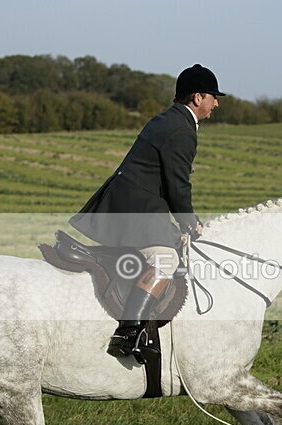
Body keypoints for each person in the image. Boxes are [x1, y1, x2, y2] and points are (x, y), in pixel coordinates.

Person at [69, 64, 225, 362]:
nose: (216, 103)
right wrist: (190, 223)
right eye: (213, 97)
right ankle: (128, 332)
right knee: (165, 260)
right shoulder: (181, 128)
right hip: (136, 209)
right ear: (197, 97)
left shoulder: (171, 120)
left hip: (137, 204)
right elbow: (177, 184)